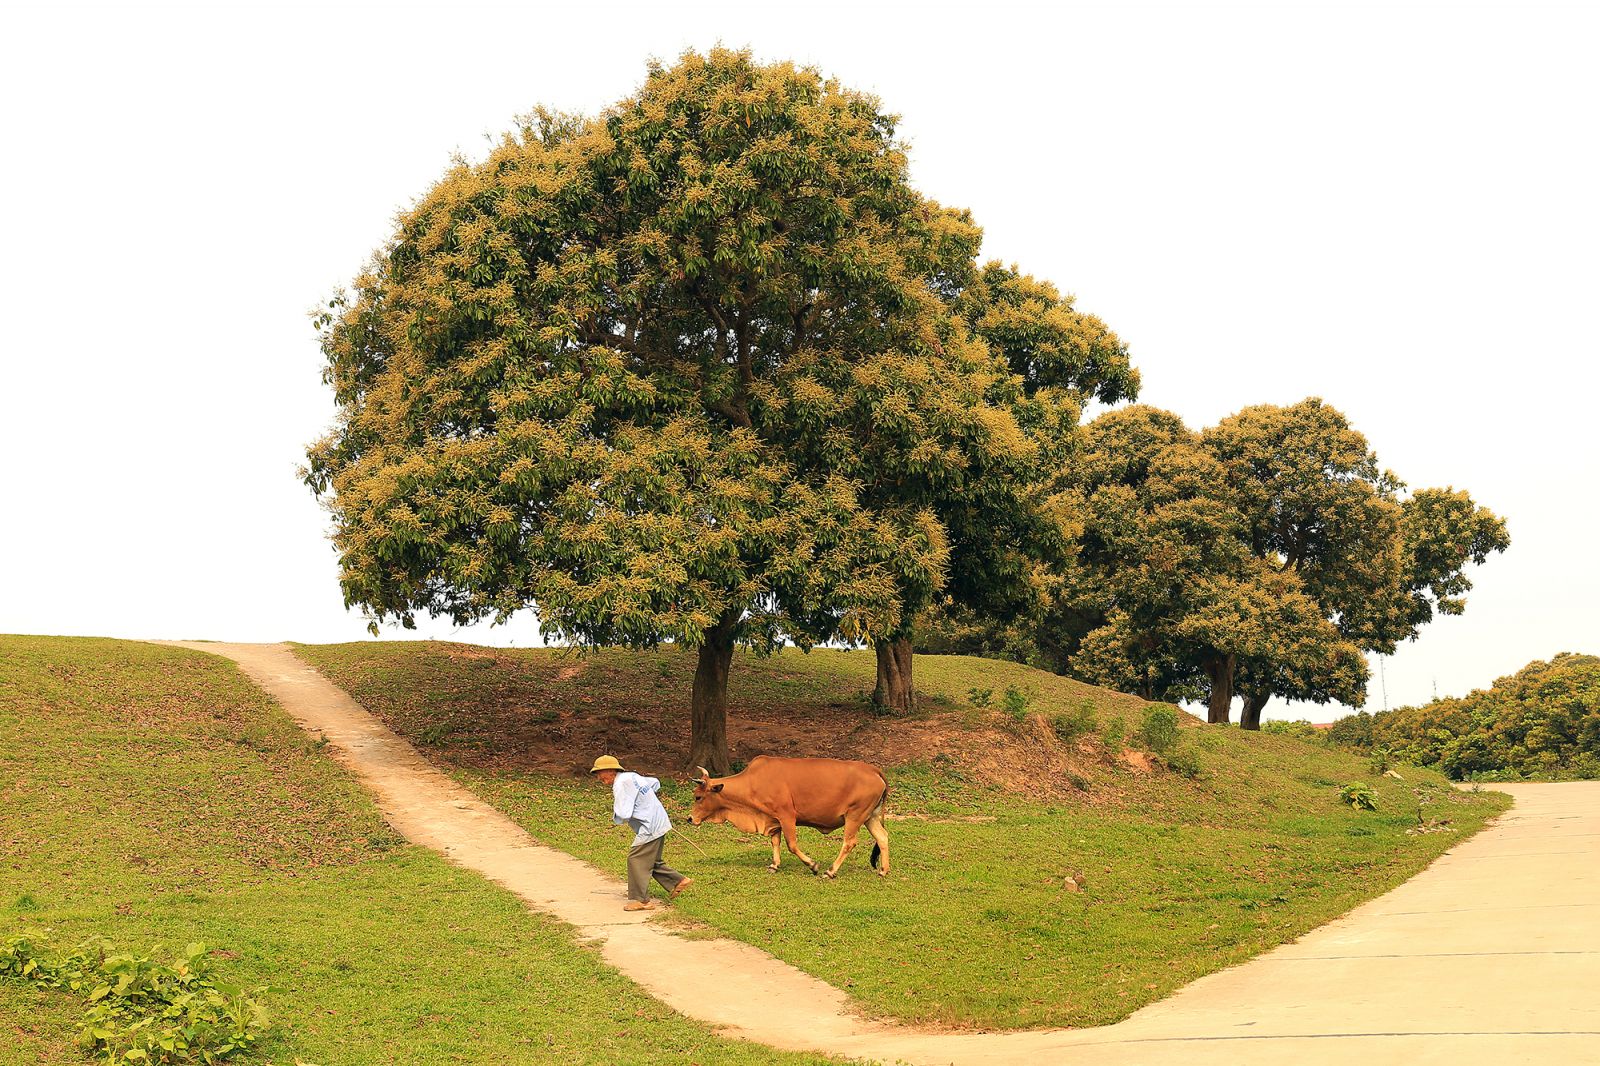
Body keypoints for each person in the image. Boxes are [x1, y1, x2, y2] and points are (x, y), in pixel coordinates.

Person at [588, 755, 692, 911]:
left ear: (610, 770)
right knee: (649, 860)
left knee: (635, 859)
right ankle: (678, 881)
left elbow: (623, 813)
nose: (598, 777)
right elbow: (655, 783)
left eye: (599, 773)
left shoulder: (621, 784)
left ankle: (640, 900)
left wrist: (616, 815)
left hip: (649, 825)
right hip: (659, 821)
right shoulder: (632, 776)